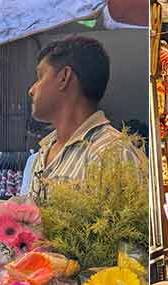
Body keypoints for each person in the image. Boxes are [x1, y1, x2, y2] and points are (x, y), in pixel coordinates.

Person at [27, 36, 144, 200]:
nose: (32, 90)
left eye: (40, 77)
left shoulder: (115, 155)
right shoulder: (44, 151)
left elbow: (131, 223)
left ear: (64, 77)